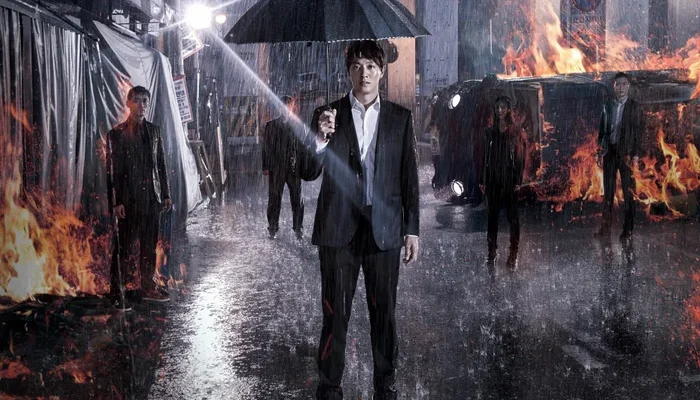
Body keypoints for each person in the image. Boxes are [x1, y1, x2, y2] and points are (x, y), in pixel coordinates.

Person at [300, 40, 420, 400]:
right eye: (356, 66)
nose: (363, 73)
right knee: (335, 313)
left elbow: (409, 178)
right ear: (348, 71)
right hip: (338, 231)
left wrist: (412, 230)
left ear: (381, 72)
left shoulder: (400, 118)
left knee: (384, 313)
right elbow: (307, 171)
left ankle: (386, 381)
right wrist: (320, 138)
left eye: (370, 66)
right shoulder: (328, 114)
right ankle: (330, 383)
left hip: (384, 230)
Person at [106, 86, 172, 303]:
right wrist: (116, 202)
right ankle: (117, 290)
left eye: (145, 101)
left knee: (149, 246)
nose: (141, 105)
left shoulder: (154, 131)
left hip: (151, 198)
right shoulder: (116, 134)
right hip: (129, 200)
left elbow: (161, 164)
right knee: (124, 247)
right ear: (128, 103)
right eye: (136, 100)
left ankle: (147, 286)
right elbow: (112, 171)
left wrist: (166, 194)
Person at [480, 95, 527, 270]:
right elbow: (485, 157)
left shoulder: (516, 132)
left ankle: (513, 253)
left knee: (512, 217)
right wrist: (483, 179)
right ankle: (491, 252)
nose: (499, 110)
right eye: (497, 107)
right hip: (493, 178)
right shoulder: (490, 132)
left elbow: (520, 158)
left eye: (503, 107)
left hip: (509, 178)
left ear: (508, 110)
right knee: (492, 217)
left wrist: (518, 180)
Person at [595, 72, 642, 241]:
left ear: (628, 86)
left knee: (629, 193)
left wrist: (636, 155)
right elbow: (602, 131)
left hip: (626, 154)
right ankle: (605, 228)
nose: (621, 87)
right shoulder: (607, 106)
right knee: (608, 192)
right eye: (618, 84)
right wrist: (599, 152)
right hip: (610, 152)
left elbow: (638, 133)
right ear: (613, 86)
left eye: (624, 84)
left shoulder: (635, 107)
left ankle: (628, 229)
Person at [262, 95, 305, 239]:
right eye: (283, 106)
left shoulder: (298, 126)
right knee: (274, 199)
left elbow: (303, 149)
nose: (285, 109)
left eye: (288, 106)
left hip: (294, 168)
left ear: (292, 107)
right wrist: (266, 166)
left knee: (297, 200)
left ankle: (298, 229)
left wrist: (304, 167)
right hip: (277, 167)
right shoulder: (271, 126)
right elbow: (266, 147)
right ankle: (272, 229)